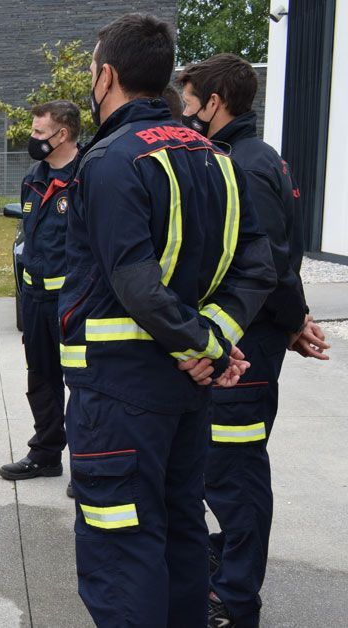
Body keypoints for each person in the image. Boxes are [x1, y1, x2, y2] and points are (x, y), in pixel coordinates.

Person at [60, 14, 276, 626]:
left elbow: (133, 280)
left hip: (120, 393)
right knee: (181, 531)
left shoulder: (110, 161)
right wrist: (219, 337)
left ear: (106, 75)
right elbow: (258, 265)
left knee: (120, 545)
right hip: (189, 394)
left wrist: (199, 341)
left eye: (93, 68)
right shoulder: (216, 157)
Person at [177, 53, 333, 628]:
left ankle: (236, 597)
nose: (185, 110)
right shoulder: (243, 155)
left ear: (214, 102)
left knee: (235, 472)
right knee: (221, 467)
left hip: (249, 350)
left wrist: (293, 323)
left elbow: (268, 264)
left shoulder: (244, 163)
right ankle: (228, 559)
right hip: (245, 342)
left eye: (189, 100)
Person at [0, 101, 81, 485]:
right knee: (41, 379)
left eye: (38, 133)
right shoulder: (34, 175)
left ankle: (86, 466)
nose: (31, 139)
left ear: (62, 134)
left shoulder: (88, 174)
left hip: (74, 302)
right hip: (35, 300)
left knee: (82, 384)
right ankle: (46, 454)